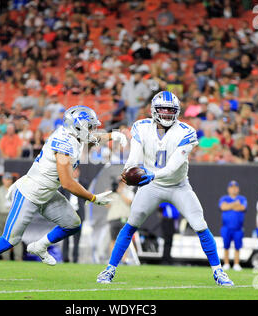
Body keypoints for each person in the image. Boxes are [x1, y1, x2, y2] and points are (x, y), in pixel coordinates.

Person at [0, 105, 127, 282]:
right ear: (77, 127)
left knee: (72, 224)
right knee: (9, 240)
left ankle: (40, 246)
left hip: (47, 192)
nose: (92, 130)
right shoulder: (64, 144)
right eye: (89, 126)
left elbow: (89, 137)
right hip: (30, 193)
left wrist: (112, 135)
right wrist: (93, 198)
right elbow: (67, 183)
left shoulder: (72, 135)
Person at [97, 91, 234, 286]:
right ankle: (109, 269)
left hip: (178, 185)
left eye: (171, 110)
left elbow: (172, 168)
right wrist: (128, 170)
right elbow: (135, 157)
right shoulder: (141, 127)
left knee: (200, 225)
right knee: (131, 224)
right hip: (151, 185)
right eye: (163, 109)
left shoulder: (186, 132)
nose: (167, 113)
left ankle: (219, 272)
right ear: (154, 110)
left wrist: (151, 174)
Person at [0, 172, 23, 261]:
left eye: (9, 179)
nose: (8, 181)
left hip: (13, 215)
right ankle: (5, 258)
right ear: (3, 180)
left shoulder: (16, 190)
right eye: (6, 179)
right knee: (3, 238)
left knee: (16, 236)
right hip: (1, 215)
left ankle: (18, 257)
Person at [61, 167, 89, 263]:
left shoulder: (83, 183)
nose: (75, 173)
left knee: (77, 237)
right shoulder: (65, 183)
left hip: (79, 212)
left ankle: (75, 258)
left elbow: (86, 196)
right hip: (68, 212)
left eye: (77, 170)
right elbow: (61, 196)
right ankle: (65, 258)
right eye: (73, 171)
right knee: (65, 236)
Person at [219, 181, 247, 271]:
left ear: (238, 189)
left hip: (238, 228)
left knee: (237, 247)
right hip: (226, 227)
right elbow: (223, 207)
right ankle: (226, 263)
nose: (234, 189)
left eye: (235, 187)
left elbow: (242, 208)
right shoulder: (224, 198)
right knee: (226, 246)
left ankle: (236, 263)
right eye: (232, 187)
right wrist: (235, 204)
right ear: (228, 189)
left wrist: (229, 206)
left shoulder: (242, 198)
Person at [106, 179, 134, 261]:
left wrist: (120, 193)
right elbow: (107, 206)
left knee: (124, 239)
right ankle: (112, 259)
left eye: (122, 182)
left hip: (124, 219)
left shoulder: (129, 192)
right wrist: (107, 195)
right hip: (113, 218)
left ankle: (124, 259)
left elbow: (129, 202)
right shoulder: (112, 193)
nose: (121, 184)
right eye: (119, 182)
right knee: (113, 239)